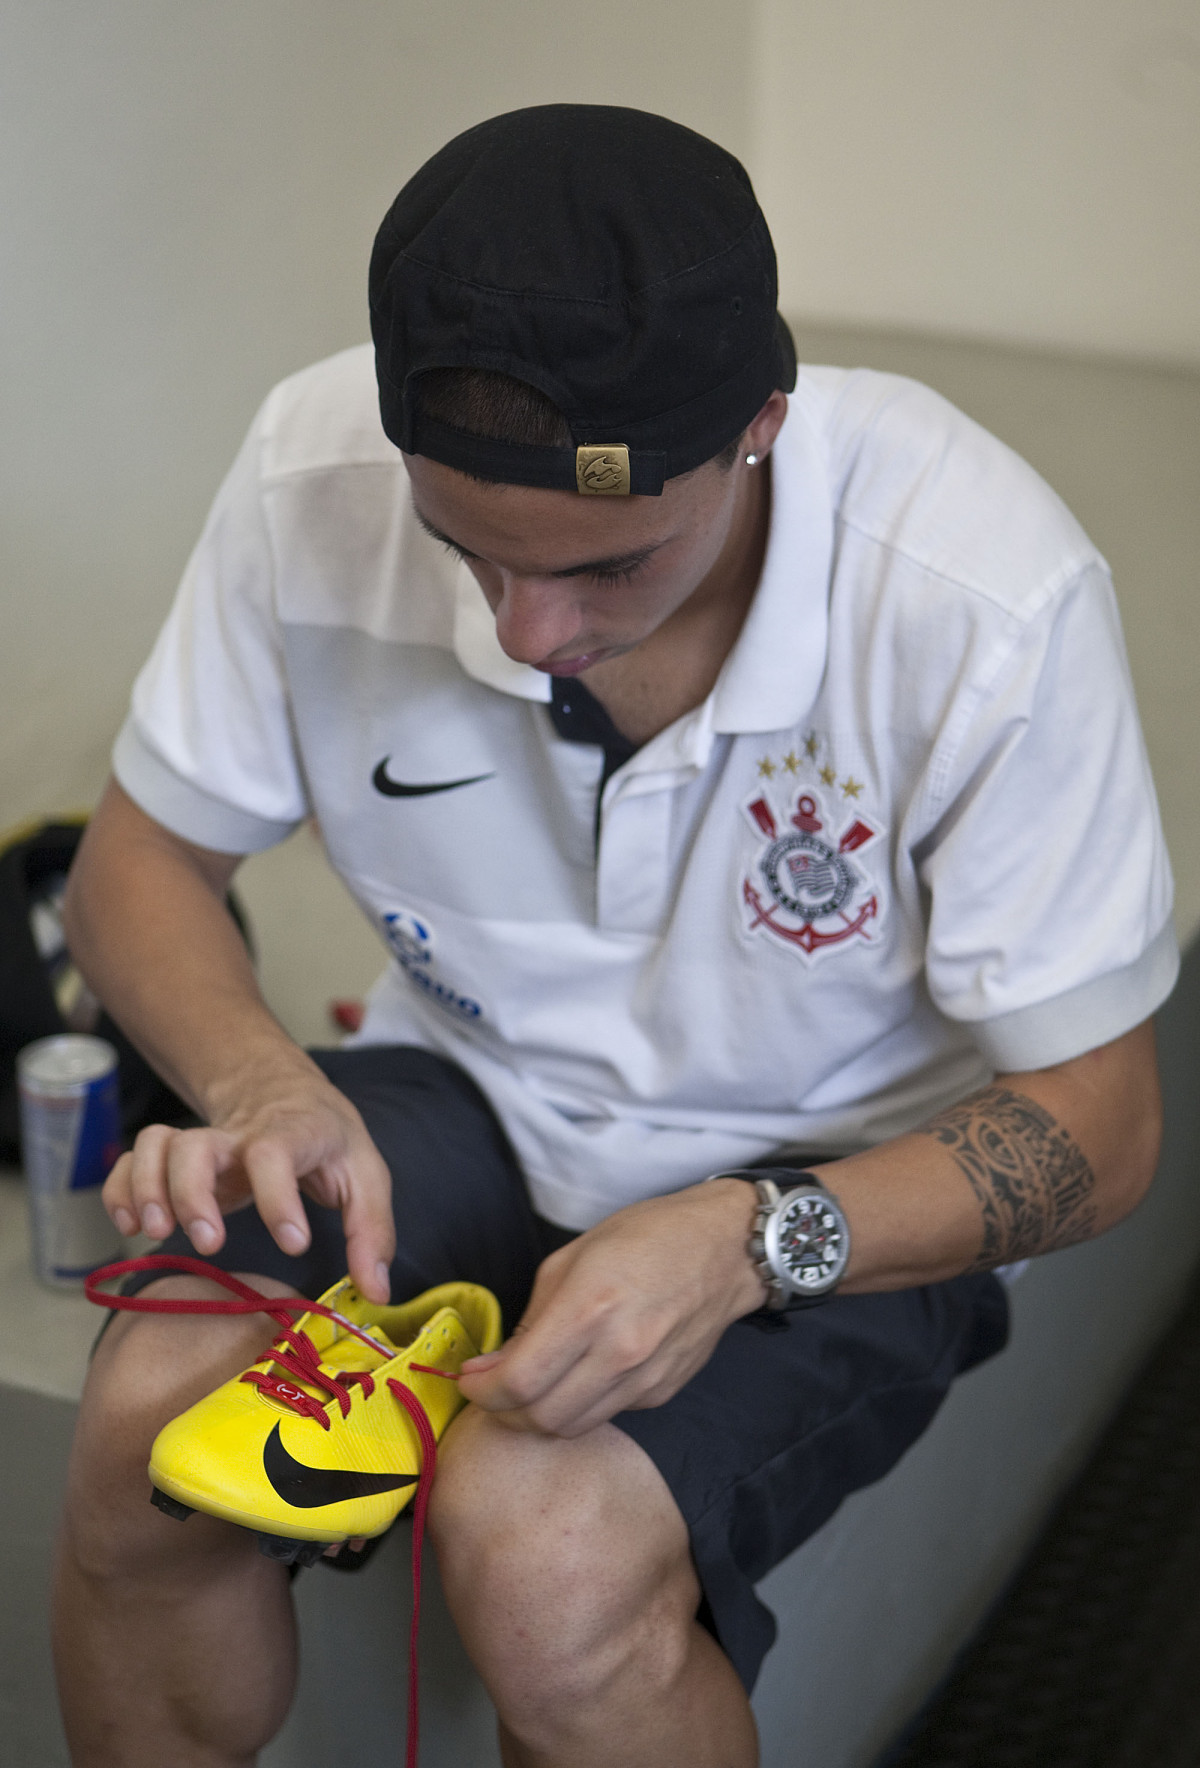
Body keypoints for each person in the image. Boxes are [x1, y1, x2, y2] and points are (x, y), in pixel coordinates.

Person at [53, 105, 1174, 1768]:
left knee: (546, 1547)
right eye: (466, 552)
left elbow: (1108, 1121)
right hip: (471, 1087)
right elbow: (137, 862)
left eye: (606, 564)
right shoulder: (312, 472)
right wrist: (260, 1085)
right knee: (150, 1428)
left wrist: (742, 1239)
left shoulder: (976, 598)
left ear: (760, 430)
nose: (526, 633)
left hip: (840, 1168)